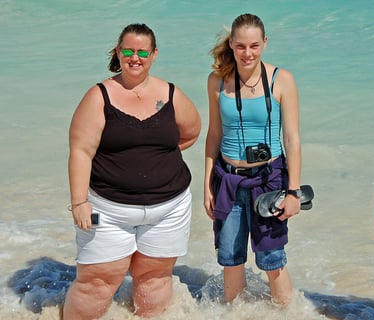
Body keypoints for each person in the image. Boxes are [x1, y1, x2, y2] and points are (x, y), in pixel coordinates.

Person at [63, 23, 201, 319]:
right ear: (118, 52)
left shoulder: (171, 93)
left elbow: (191, 133)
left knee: (154, 278)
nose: (134, 57)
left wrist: (153, 158)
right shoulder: (99, 96)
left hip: (170, 208)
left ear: (154, 54)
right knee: (97, 282)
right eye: (127, 50)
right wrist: (79, 201)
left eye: (141, 51)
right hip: (108, 208)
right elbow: (80, 151)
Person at [203, 13, 302, 305]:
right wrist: (207, 185)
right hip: (228, 181)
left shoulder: (281, 79)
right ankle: (236, 312)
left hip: (269, 179)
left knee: (272, 258)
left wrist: (293, 192)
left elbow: (292, 139)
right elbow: (213, 135)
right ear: (232, 44)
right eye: (242, 46)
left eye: (254, 46)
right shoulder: (217, 81)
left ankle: (288, 313)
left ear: (265, 43)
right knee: (230, 257)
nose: (248, 53)